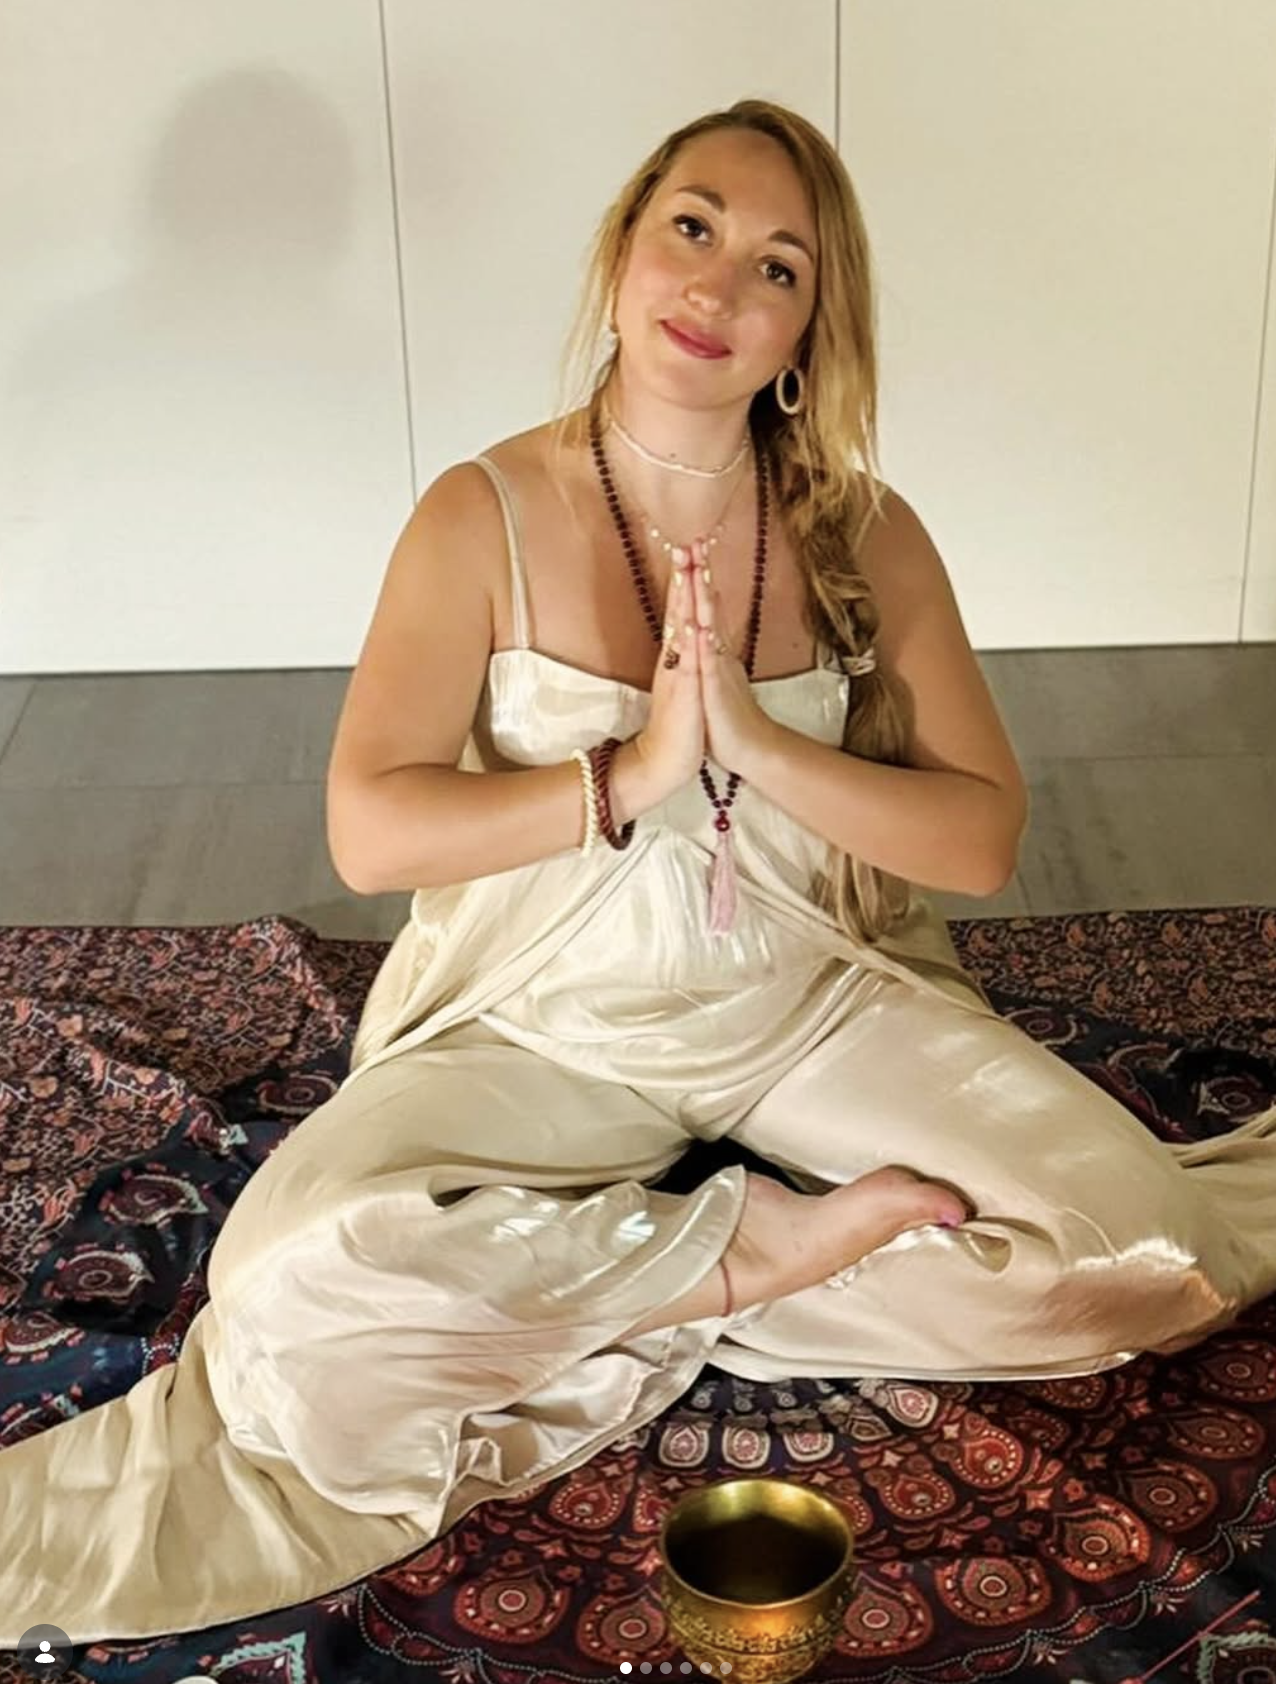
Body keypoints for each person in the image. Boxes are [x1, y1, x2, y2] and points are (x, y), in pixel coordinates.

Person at [2, 97, 1275, 1649]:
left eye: (778, 267)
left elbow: (982, 835)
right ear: (622, 250)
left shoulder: (868, 532)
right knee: (280, 1290)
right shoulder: (479, 512)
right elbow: (373, 829)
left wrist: (752, 742)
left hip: (813, 1007)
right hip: (537, 1026)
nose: (721, 286)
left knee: (1141, 1261)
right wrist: (634, 774)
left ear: (811, 329)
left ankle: (591, 1279)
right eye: (694, 226)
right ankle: (749, 1249)